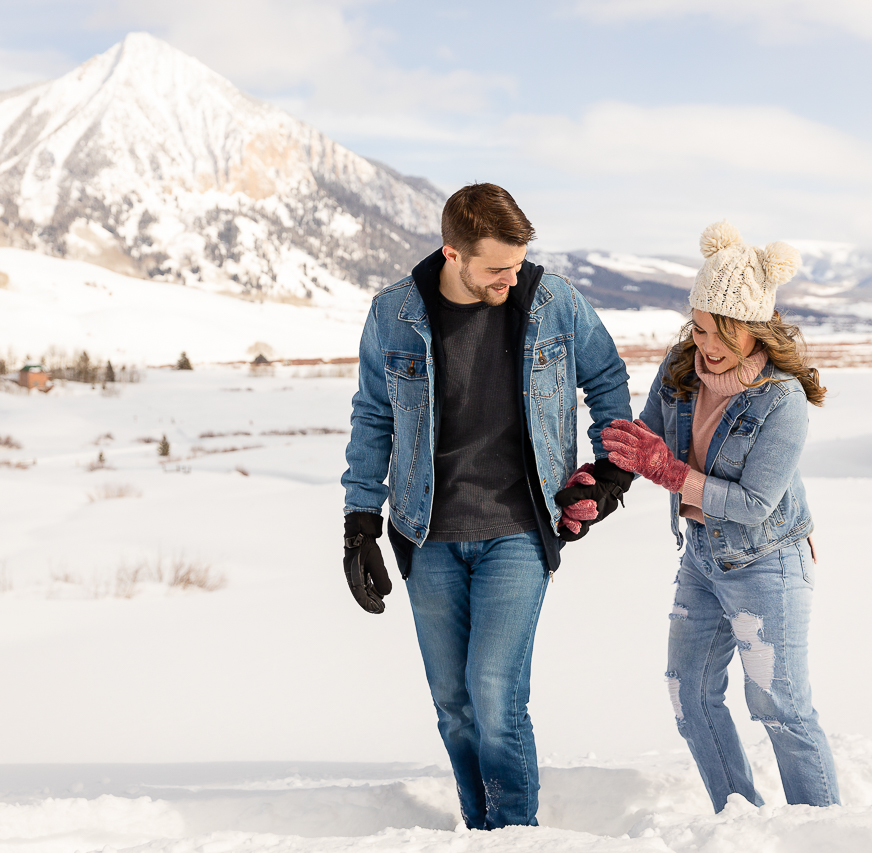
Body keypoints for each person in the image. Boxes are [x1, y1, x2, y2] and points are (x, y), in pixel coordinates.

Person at [340, 183, 634, 830]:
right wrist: (359, 522)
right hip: (426, 532)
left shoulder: (551, 300)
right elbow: (372, 416)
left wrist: (611, 470)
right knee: (454, 704)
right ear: (453, 253)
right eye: (497, 268)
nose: (512, 276)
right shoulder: (395, 313)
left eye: (518, 262)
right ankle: (481, 831)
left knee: (496, 694)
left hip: (520, 529)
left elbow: (606, 376)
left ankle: (516, 836)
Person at [603, 220, 840, 811]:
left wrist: (673, 474)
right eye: (698, 325)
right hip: (702, 556)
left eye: (717, 331)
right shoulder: (683, 367)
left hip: (767, 560)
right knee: (690, 697)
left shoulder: (781, 398)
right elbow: (648, 438)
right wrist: (600, 480)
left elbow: (756, 505)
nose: (702, 342)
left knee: (780, 708)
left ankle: (824, 836)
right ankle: (741, 823)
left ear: (750, 328)